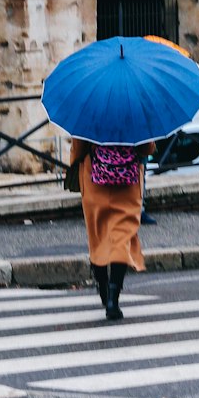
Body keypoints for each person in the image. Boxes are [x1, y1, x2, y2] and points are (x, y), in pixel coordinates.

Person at [70, 136, 152, 320]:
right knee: (122, 239)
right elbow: (146, 148)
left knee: (98, 237)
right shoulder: (135, 111)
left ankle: (103, 289)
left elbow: (79, 148)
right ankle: (113, 300)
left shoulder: (90, 110)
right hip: (127, 182)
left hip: (94, 180)